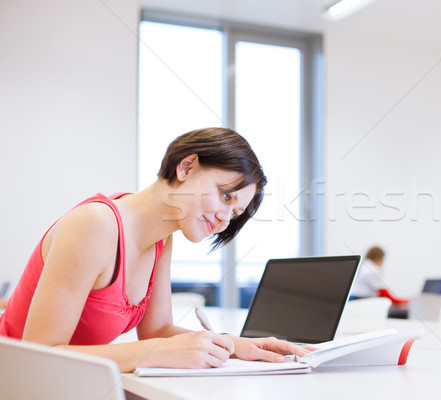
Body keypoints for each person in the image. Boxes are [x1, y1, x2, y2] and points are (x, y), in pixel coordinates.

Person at [0, 127, 311, 372]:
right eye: (225, 197)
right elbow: (40, 357)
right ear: (186, 167)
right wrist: (156, 353)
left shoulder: (162, 239)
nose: (223, 219)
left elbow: (156, 331)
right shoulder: (95, 224)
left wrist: (232, 345)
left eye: (234, 213)